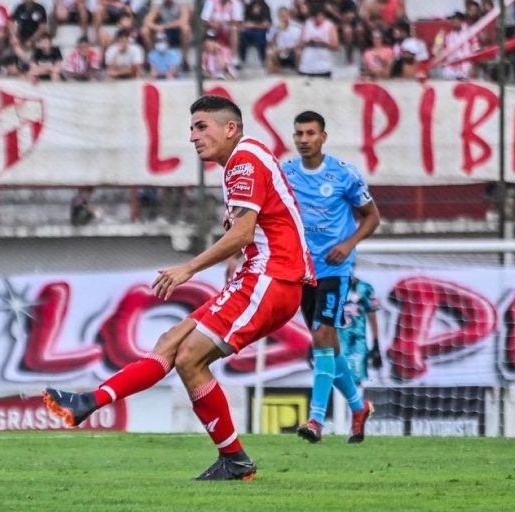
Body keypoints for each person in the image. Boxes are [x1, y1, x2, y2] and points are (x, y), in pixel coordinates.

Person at [43, 95, 314, 481]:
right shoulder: (247, 157)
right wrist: (241, 258)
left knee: (189, 358)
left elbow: (242, 232)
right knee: (171, 342)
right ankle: (89, 401)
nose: (193, 137)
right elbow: (260, 226)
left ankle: (234, 459)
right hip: (263, 275)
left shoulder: (243, 160)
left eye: (202, 127)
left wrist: (189, 268)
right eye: (192, 128)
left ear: (230, 128)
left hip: (272, 278)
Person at [281, 110, 380, 444]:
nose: (304, 140)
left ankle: (315, 420)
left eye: (311, 133)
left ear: (324, 136)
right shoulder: (285, 173)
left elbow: (371, 217)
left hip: (335, 268)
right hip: (301, 268)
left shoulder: (344, 175)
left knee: (323, 335)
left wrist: (348, 243)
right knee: (327, 347)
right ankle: (358, 407)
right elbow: (264, 213)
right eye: (299, 134)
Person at [338, 275, 383, 387]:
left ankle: (356, 403)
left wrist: (376, 343)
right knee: (334, 380)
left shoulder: (365, 288)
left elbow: (372, 317)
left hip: (357, 345)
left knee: (356, 383)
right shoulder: (330, 285)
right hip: (334, 343)